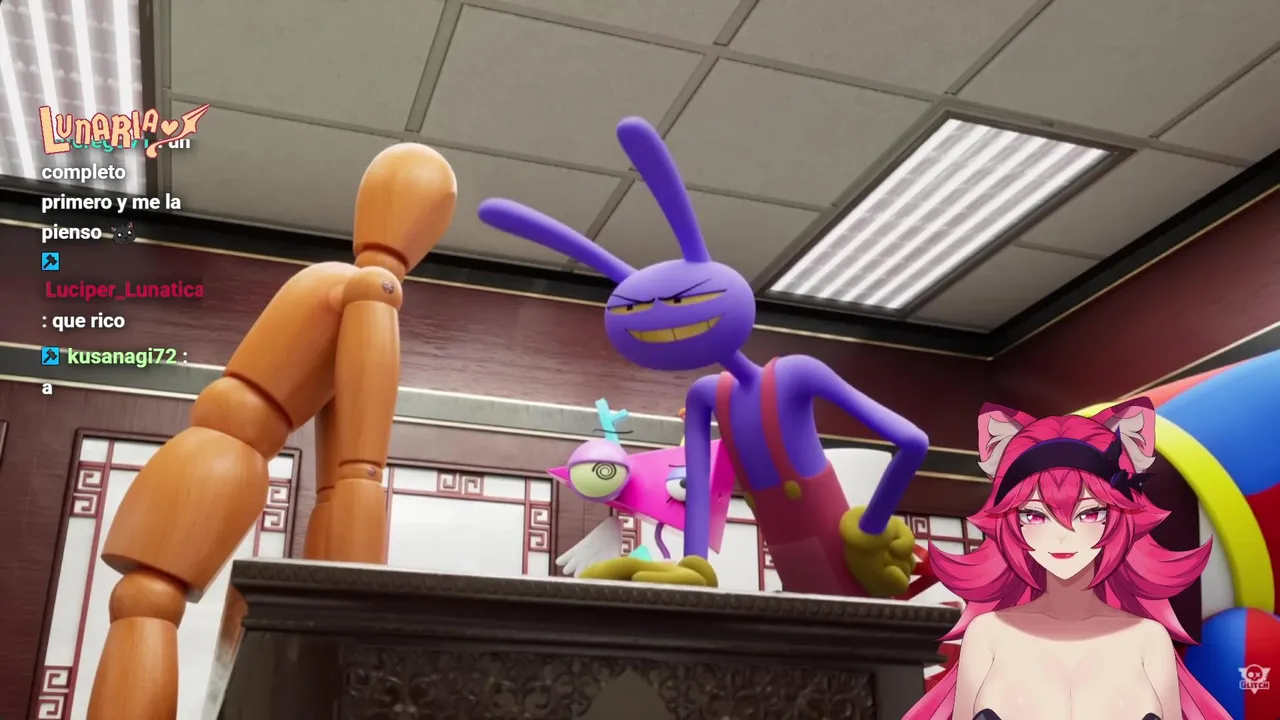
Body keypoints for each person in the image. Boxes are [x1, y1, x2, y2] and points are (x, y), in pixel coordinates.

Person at [905, 398, 1230, 720]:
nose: (1062, 535)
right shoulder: (986, 635)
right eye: (1034, 516)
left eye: (1089, 513)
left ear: (1119, 517)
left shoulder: (1149, 639)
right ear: (1011, 521)